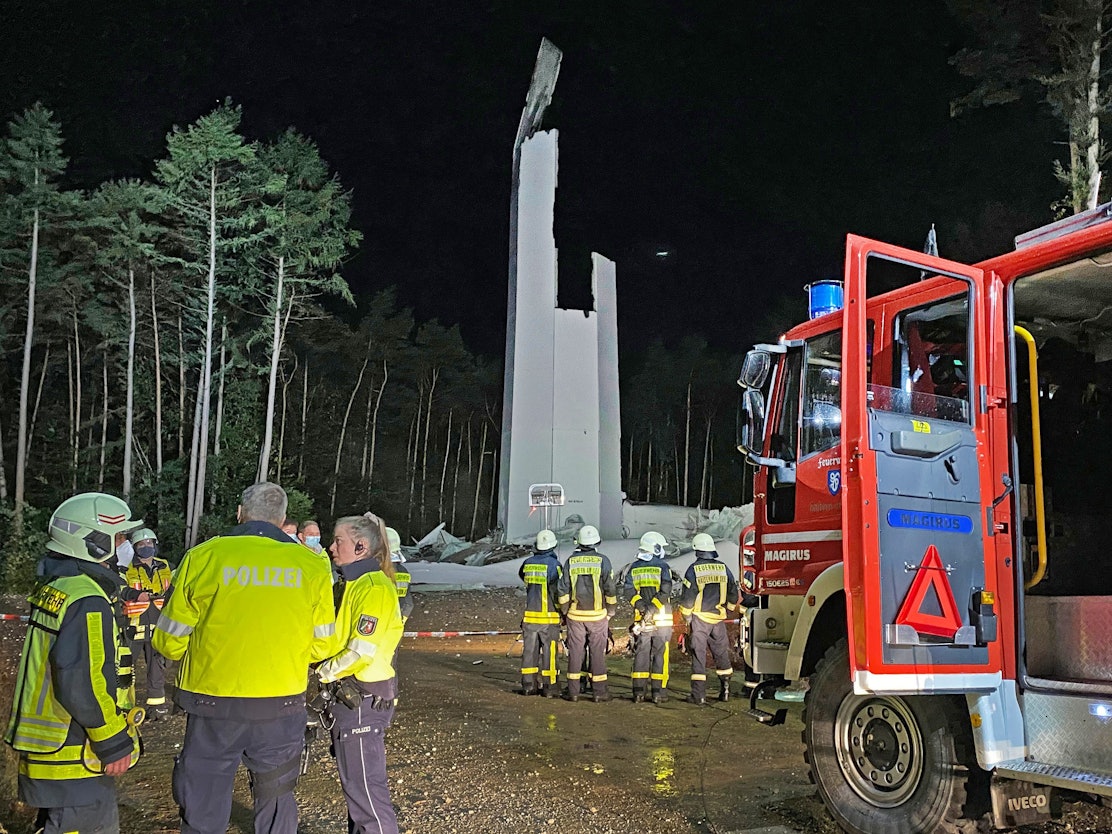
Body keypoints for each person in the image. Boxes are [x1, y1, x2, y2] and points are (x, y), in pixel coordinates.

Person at [152, 482, 336, 834]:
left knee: (203, 796)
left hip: (212, 702)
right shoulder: (311, 567)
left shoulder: (203, 557)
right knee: (277, 794)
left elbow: (169, 640)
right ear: (282, 520)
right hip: (280, 703)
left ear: (240, 513)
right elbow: (323, 645)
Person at [5, 492, 143, 834]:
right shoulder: (88, 599)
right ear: (94, 543)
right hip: (76, 753)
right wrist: (113, 741)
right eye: (120, 538)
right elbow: (82, 678)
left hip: (52, 750)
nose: (126, 547)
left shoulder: (60, 585)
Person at [318, 513, 404, 834]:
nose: (330, 547)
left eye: (337, 540)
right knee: (358, 794)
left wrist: (322, 674)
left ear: (360, 546)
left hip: (361, 700)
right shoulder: (354, 584)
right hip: (354, 698)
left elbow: (359, 651)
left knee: (367, 795)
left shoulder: (374, 587)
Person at [556, 524, 616, 703]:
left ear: (579, 542)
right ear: (596, 542)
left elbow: (562, 590)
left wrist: (565, 612)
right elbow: (610, 588)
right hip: (598, 616)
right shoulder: (603, 561)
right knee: (597, 653)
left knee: (576, 653)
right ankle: (599, 692)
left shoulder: (571, 561)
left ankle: (574, 691)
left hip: (575, 616)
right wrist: (611, 611)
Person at [679, 533, 740, 705]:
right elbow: (733, 593)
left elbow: (688, 598)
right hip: (718, 620)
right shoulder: (723, 568)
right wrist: (726, 611)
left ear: (697, 551)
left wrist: (687, 616)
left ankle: (699, 696)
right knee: (721, 655)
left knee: (699, 656)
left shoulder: (694, 570)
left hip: (700, 620)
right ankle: (725, 691)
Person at [121, 527, 173, 717]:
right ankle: (122, 706)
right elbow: (119, 589)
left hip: (158, 625)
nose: (146, 547)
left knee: (158, 667)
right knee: (124, 668)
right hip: (134, 626)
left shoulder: (166, 566)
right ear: (135, 547)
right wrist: (135, 594)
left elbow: (174, 588)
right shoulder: (126, 568)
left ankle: (157, 707)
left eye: (149, 543)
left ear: (155, 545)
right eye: (141, 544)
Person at [623, 531, 673, 704]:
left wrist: (641, 607)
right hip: (662, 620)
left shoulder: (634, 567)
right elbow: (665, 591)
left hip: (642, 620)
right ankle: (659, 693)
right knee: (660, 654)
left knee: (641, 654)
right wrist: (652, 608)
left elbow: (628, 590)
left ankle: (638, 693)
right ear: (656, 548)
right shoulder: (663, 567)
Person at [518, 529, 563, 697]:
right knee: (550, 653)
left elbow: (523, 577)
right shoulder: (554, 566)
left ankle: (528, 686)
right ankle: (550, 688)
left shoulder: (528, 563)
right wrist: (562, 611)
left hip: (530, 617)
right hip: (548, 617)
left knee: (529, 652)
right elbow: (559, 591)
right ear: (553, 547)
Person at [385, 526, 413, 625]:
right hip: (395, 626)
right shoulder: (403, 572)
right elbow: (408, 603)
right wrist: (400, 621)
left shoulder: (377, 572)